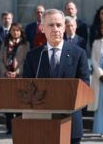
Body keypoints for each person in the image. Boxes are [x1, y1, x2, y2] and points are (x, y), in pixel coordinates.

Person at [23, 9, 89, 144]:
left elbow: (85, 86)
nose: (55, 29)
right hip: (41, 122)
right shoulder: (34, 56)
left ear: (64, 28)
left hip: (70, 122)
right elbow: (26, 86)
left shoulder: (78, 53)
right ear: (42, 28)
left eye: (59, 25)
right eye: (51, 25)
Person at [0, 22, 29, 134]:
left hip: (19, 77)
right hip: (7, 78)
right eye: (13, 30)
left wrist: (17, 72)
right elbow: (0, 60)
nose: (15, 32)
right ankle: (9, 128)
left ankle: (19, 128)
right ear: (10, 31)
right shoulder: (5, 44)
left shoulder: (26, 45)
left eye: (17, 30)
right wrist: (5, 72)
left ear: (21, 32)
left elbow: (26, 61)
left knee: (19, 104)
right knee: (9, 104)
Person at [0, 12, 13, 77]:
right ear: (2, 20)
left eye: (9, 18)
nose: (7, 20)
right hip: (0, 64)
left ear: (11, 20)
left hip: (14, 64)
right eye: (5, 18)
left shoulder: (17, 32)